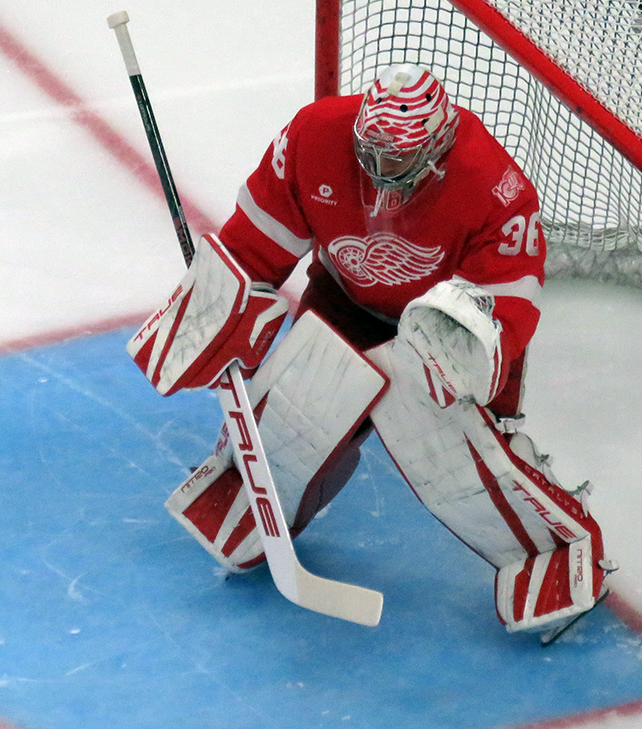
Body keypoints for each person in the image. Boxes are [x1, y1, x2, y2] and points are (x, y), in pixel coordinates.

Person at [128, 64, 610, 638]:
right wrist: (224, 304)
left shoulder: (493, 186)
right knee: (294, 419)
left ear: (436, 144)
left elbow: (508, 305)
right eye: (370, 154)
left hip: (443, 332)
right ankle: (260, 494)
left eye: (397, 160)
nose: (380, 174)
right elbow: (256, 244)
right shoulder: (314, 136)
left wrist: (469, 370)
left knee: (458, 461)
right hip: (343, 298)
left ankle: (553, 546)